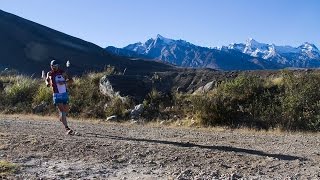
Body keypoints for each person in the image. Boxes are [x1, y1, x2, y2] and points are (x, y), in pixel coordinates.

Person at [45, 60, 75, 135]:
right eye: (52, 66)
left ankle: (61, 118)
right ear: (51, 66)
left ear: (58, 66)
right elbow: (47, 80)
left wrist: (64, 82)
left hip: (64, 94)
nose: (54, 68)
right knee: (62, 111)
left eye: (55, 66)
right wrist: (47, 83)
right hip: (56, 94)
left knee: (66, 111)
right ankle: (67, 128)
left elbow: (71, 81)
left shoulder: (63, 72)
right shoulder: (49, 73)